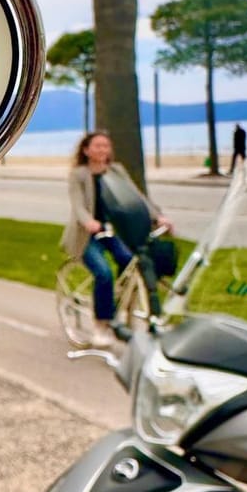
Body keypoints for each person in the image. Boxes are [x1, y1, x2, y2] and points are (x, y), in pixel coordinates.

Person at [62, 131, 172, 349]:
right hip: (88, 235)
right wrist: (89, 222)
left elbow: (137, 197)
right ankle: (101, 325)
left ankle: (118, 309)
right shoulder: (79, 174)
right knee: (103, 273)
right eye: (97, 146)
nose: (102, 150)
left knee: (130, 263)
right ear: (86, 150)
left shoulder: (116, 171)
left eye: (106, 146)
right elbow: (78, 205)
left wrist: (157, 217)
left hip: (113, 231)